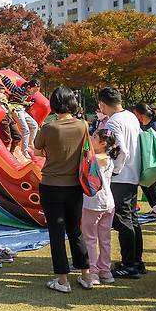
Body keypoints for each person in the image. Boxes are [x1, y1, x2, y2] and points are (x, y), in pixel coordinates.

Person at [34, 86, 94, 292]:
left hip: (51, 185)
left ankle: (62, 279)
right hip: (75, 185)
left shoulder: (49, 128)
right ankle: (86, 274)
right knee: (75, 231)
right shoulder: (83, 125)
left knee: (57, 233)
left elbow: (36, 149)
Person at [98, 87, 144, 278]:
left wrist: (114, 171)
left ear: (102, 104)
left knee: (123, 220)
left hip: (122, 176)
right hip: (134, 173)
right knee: (132, 218)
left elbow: (122, 150)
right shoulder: (131, 117)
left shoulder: (114, 122)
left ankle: (129, 263)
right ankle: (136, 261)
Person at [81, 129, 120, 285]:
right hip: (108, 203)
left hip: (93, 203)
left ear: (103, 143)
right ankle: (105, 271)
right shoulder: (109, 158)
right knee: (105, 239)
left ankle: (93, 271)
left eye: (95, 137)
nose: (91, 137)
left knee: (90, 238)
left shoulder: (93, 159)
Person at [0, 73, 41, 158]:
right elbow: (10, 85)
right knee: (25, 130)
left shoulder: (27, 93)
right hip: (15, 110)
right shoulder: (19, 90)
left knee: (34, 125)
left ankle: (30, 142)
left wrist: (27, 103)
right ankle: (24, 150)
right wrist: (2, 76)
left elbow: (21, 102)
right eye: (34, 91)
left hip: (22, 110)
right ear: (28, 87)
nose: (34, 93)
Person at [132, 103, 156, 208]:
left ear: (142, 114)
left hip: (155, 165)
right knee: (147, 188)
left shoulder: (155, 126)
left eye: (136, 114)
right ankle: (155, 210)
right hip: (146, 164)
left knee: (154, 190)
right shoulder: (142, 126)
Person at [0, 83, 22, 154]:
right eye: (1, 92)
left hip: (8, 116)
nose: (3, 94)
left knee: (18, 136)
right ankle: (1, 153)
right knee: (6, 139)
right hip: (2, 118)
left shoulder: (3, 99)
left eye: (3, 93)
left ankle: (11, 152)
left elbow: (9, 106)